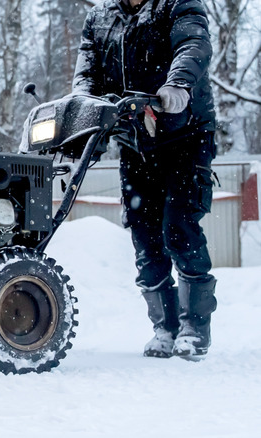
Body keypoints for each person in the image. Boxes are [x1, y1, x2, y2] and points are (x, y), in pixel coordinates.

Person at [72, 0, 218, 359]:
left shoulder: (176, 4)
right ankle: (164, 326)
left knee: (178, 227)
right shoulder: (100, 17)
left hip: (186, 133)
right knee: (144, 233)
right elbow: (86, 78)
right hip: (135, 138)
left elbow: (193, 44)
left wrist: (178, 84)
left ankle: (193, 327)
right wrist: (82, 114)